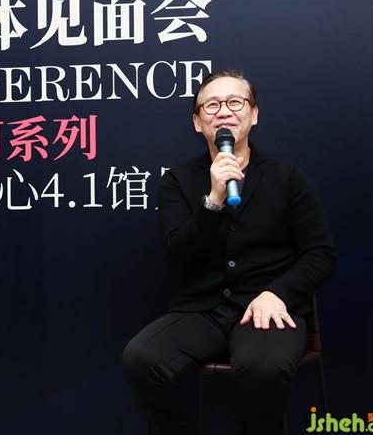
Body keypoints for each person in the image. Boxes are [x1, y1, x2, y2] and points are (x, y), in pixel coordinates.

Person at [122, 70, 336, 435]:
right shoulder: (178, 181)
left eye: (235, 102)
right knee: (142, 359)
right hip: (202, 309)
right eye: (211, 105)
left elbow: (321, 253)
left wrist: (277, 293)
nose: (223, 112)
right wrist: (213, 200)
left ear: (254, 114)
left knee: (263, 369)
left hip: (265, 309)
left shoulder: (286, 177)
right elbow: (180, 256)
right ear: (197, 122)